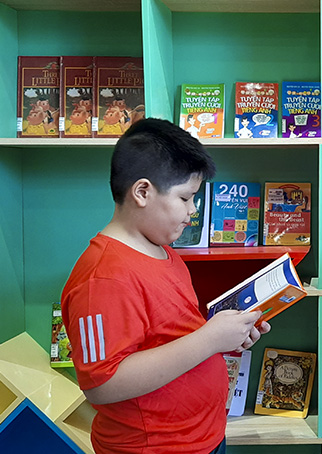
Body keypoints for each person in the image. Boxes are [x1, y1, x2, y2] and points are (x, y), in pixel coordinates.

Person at [61, 118, 270, 454]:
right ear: (142, 192)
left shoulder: (162, 250)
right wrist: (208, 339)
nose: (193, 210)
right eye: (186, 198)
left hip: (203, 437)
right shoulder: (102, 277)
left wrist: (227, 336)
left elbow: (173, 337)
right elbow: (102, 384)